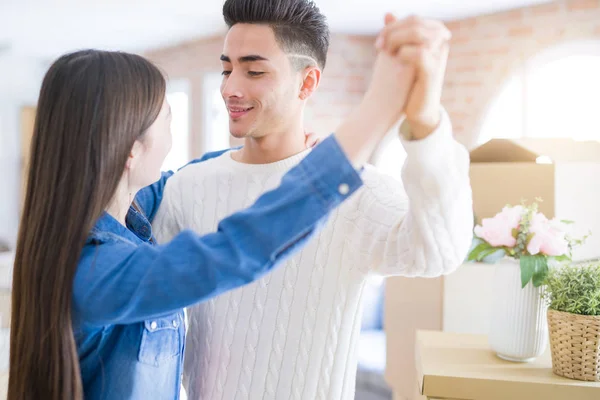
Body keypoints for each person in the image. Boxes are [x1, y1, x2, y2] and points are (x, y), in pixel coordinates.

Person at [7, 8, 421, 400]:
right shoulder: (100, 272)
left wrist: (280, 162)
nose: (229, 88)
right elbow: (238, 250)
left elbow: (200, 173)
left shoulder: (120, 214)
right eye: (167, 117)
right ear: (130, 150)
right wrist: (380, 108)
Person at [152, 1, 473, 399]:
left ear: (307, 83)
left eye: (254, 71)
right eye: (226, 68)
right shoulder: (189, 187)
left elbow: (440, 252)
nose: (230, 88)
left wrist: (426, 122)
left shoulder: (355, 192)